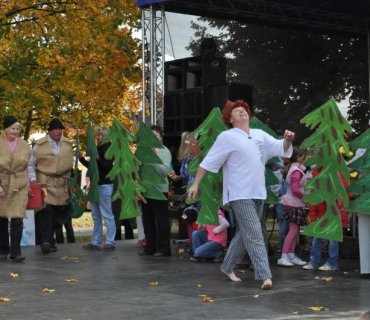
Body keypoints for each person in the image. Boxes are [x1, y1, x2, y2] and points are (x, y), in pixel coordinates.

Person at [188, 99, 294, 290]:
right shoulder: (227, 137)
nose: (242, 112)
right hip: (238, 194)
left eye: (244, 110)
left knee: (245, 233)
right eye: (237, 111)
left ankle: (227, 266)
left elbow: (280, 148)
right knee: (254, 232)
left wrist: (287, 140)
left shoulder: (259, 135)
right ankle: (265, 276)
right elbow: (208, 163)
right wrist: (195, 184)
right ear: (230, 119)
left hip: (258, 193)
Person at [28, 119, 73, 254]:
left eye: (60, 129)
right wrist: (33, 180)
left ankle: (50, 241)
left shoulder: (67, 144)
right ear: (49, 131)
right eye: (55, 129)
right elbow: (31, 164)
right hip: (44, 182)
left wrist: (70, 181)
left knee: (57, 213)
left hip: (61, 184)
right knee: (46, 211)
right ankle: (46, 241)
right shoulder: (39, 145)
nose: (58, 131)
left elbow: (69, 165)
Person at [303, 168, 349, 271]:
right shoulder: (318, 173)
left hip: (333, 214)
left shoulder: (338, 174)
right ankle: (315, 261)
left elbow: (342, 197)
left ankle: (331, 263)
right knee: (317, 238)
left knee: (332, 239)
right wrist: (313, 215)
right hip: (322, 214)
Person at [0, 116, 32, 262]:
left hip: (20, 183)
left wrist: (29, 185)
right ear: (6, 130)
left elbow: (27, 168)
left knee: (18, 218)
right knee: (2, 218)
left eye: (17, 128)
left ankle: (16, 252)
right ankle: (3, 249)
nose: (15, 131)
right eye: (13, 128)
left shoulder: (25, 145)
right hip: (3, 182)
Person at [80, 126, 116, 251]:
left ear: (105, 136)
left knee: (107, 214)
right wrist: (81, 159)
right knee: (95, 215)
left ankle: (110, 241)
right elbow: (93, 167)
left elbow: (108, 168)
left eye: (100, 135)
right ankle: (96, 240)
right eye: (97, 135)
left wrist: (98, 159)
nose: (97, 137)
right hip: (95, 184)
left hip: (104, 184)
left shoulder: (109, 149)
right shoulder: (98, 149)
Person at [139, 125, 172, 257]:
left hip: (160, 191)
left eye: (156, 136)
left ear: (161, 138)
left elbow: (165, 171)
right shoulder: (143, 152)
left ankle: (164, 249)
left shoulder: (165, 151)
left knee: (161, 220)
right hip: (146, 190)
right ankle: (150, 248)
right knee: (147, 220)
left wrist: (153, 159)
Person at [278, 147, 308, 267]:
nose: (305, 158)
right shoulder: (296, 170)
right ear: (298, 158)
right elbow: (295, 189)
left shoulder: (294, 169)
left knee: (294, 230)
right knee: (293, 230)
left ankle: (290, 254)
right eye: (303, 156)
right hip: (293, 203)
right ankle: (284, 255)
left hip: (293, 203)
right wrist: (305, 197)